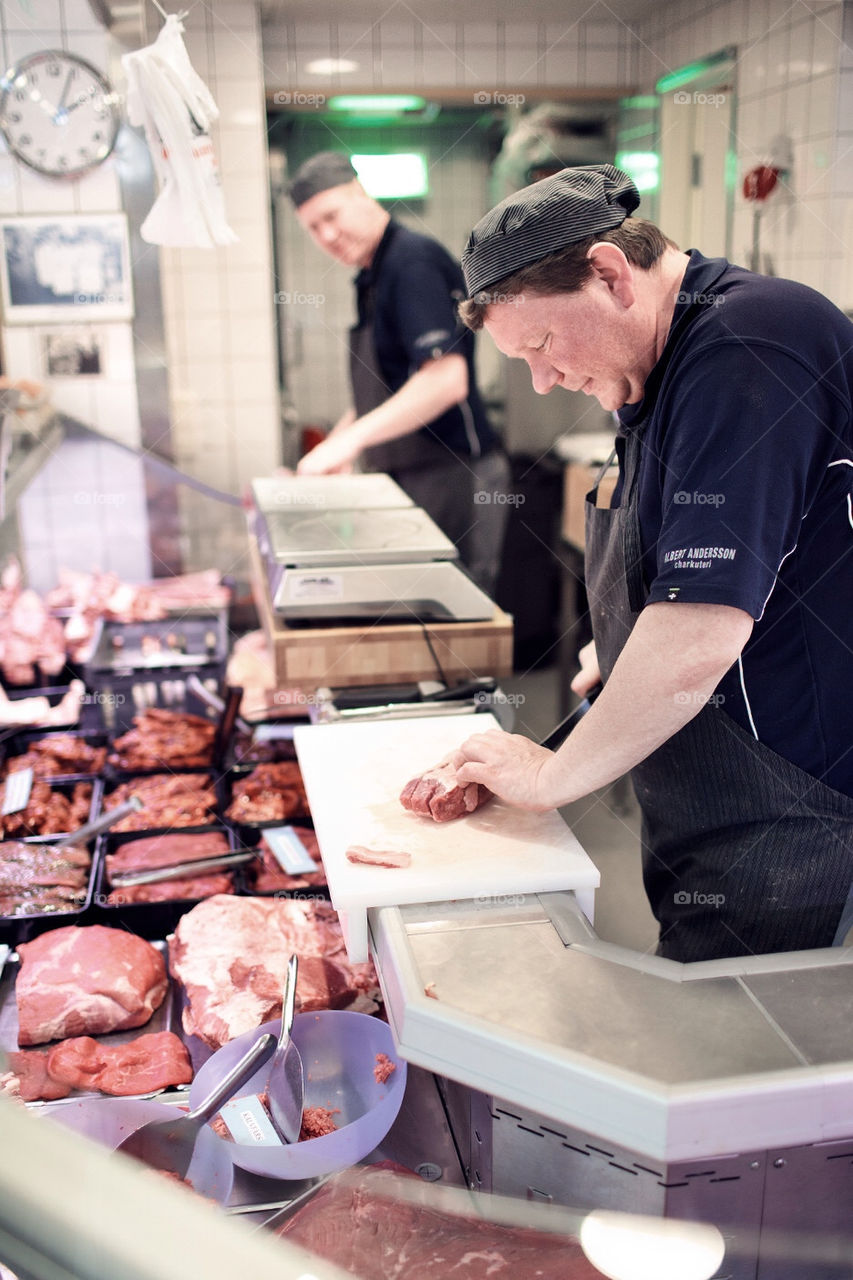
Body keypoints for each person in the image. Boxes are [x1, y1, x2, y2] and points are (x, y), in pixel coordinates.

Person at [450, 163, 853, 963]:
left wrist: (549, 778)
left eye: (540, 344)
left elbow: (698, 628)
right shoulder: (657, 367)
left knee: (736, 1058)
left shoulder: (749, 342)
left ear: (607, 273)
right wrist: (623, 641)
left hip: (790, 804)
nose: (544, 376)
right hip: (713, 778)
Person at [288, 151, 509, 594]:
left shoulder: (412, 263)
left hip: (455, 470)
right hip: (417, 472)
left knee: (456, 613)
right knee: (418, 608)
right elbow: (387, 389)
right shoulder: (372, 276)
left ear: (361, 193)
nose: (328, 234)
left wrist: (349, 440)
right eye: (314, 227)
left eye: (332, 215)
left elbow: (447, 380)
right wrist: (337, 447)